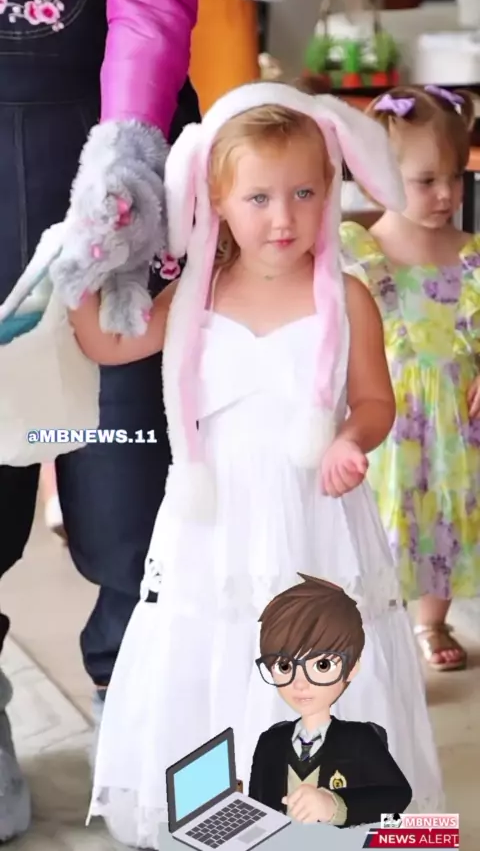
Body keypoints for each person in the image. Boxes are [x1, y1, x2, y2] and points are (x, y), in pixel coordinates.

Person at [67, 81, 442, 847]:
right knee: (215, 645)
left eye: (305, 193)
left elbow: (376, 401)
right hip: (217, 516)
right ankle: (221, 812)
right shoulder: (195, 296)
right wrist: (80, 267)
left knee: (314, 655)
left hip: (315, 517)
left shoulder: (345, 296)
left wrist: (351, 439)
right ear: (218, 200)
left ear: (330, 191)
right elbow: (108, 343)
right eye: (260, 197)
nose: (284, 217)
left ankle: (322, 813)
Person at [0, 0, 199, 841]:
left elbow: (150, 14)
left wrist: (125, 157)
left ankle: (136, 706)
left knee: (135, 481)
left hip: (119, 158)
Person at [340, 85, 480, 672]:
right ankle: (375, 625)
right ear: (379, 179)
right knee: (387, 521)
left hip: (459, 424)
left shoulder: (473, 255)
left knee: (448, 519)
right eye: (426, 181)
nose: (447, 194)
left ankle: (432, 619)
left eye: (456, 177)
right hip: (386, 420)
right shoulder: (358, 253)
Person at [249, 575, 412, 827]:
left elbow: (397, 795)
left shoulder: (360, 740)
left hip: (341, 842)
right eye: (284, 666)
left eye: (322, 665)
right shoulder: (270, 743)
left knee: (432, 835)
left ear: (351, 667)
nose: (300, 683)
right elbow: (258, 809)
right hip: (279, 842)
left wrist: (335, 805)